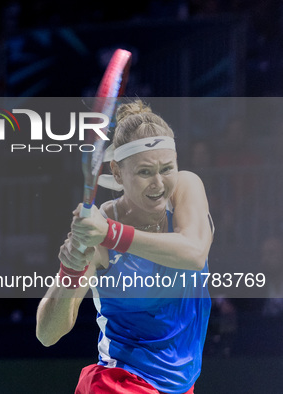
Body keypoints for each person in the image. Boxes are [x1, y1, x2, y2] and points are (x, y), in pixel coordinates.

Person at [36, 100, 214, 394]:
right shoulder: (99, 232)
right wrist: (70, 269)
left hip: (181, 385)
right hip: (120, 382)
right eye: (145, 172)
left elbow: (194, 253)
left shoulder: (186, 187)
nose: (159, 183)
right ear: (117, 172)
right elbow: (47, 334)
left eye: (167, 168)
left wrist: (112, 234)